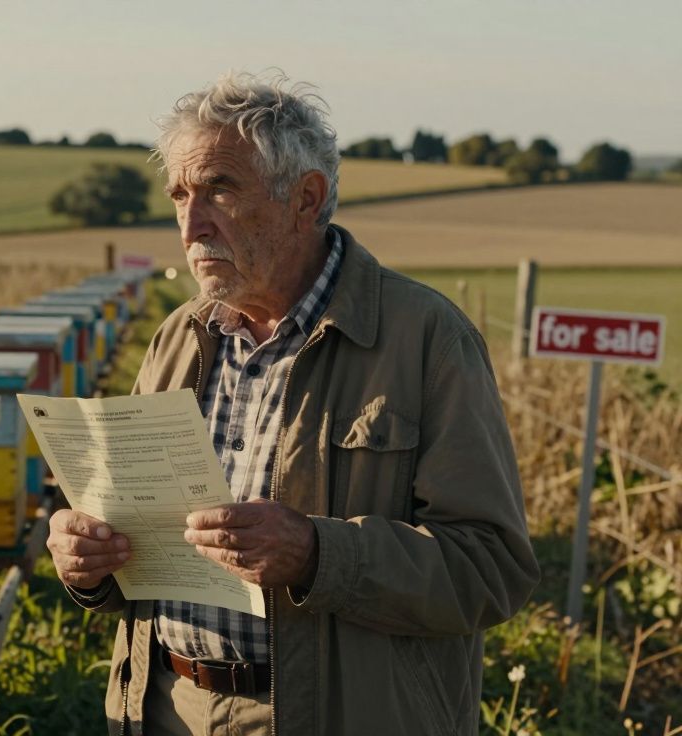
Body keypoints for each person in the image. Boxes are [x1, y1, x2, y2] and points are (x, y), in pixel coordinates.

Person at [46, 71, 540, 735]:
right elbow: (138, 554)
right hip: (166, 711)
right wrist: (89, 563)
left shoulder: (426, 338)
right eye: (180, 196)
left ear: (306, 199)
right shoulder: (178, 338)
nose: (192, 224)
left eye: (220, 188)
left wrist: (317, 554)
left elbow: (491, 569)